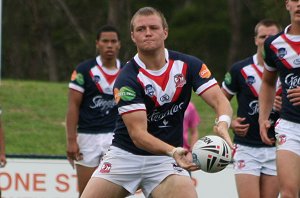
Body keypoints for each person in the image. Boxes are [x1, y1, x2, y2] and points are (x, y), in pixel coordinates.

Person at [81, 7, 233, 198]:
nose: (148, 33)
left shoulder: (189, 65)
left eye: (153, 27)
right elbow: (138, 135)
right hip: (125, 156)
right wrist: (173, 151)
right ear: (133, 36)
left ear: (165, 32)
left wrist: (223, 124)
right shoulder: (127, 80)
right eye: (140, 29)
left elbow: (220, 100)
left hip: (164, 161)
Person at [221, 19, 282, 198]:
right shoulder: (239, 69)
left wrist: (286, 106)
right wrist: (229, 122)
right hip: (246, 147)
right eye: (263, 36)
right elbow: (219, 101)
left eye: (272, 36)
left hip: (277, 146)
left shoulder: (288, 68)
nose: (267, 40)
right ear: (255, 39)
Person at [65, 25, 122, 196]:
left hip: (116, 136)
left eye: (113, 41)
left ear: (119, 44)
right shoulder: (84, 70)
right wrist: (71, 140)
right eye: (105, 41)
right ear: (97, 44)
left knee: (114, 192)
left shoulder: (127, 70)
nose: (109, 45)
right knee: (86, 193)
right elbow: (73, 106)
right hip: (87, 136)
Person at [259, 1, 300, 197]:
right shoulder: (273, 44)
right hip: (289, 126)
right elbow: (267, 83)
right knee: (288, 193)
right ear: (287, 4)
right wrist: (263, 118)